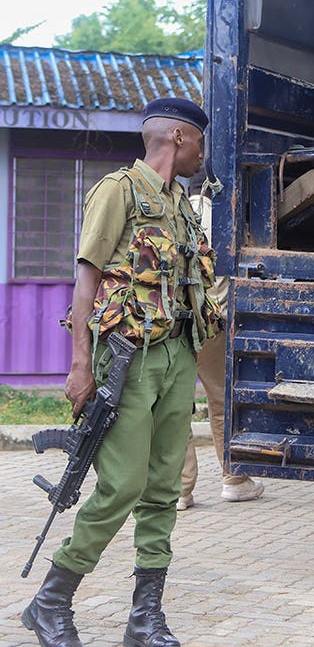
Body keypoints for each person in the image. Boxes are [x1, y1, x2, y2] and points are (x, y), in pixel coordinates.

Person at [22, 97, 222, 647]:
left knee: (161, 489)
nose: (203, 154)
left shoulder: (181, 202)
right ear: (179, 139)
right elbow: (85, 280)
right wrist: (79, 363)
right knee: (122, 486)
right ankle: (50, 601)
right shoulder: (118, 191)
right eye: (200, 143)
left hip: (177, 353)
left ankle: (144, 619)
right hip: (126, 359)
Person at [178, 191, 265, 511]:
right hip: (211, 321)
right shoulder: (227, 212)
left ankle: (180, 489)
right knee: (221, 399)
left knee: (175, 404)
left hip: (173, 319)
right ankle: (234, 479)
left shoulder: (174, 207)